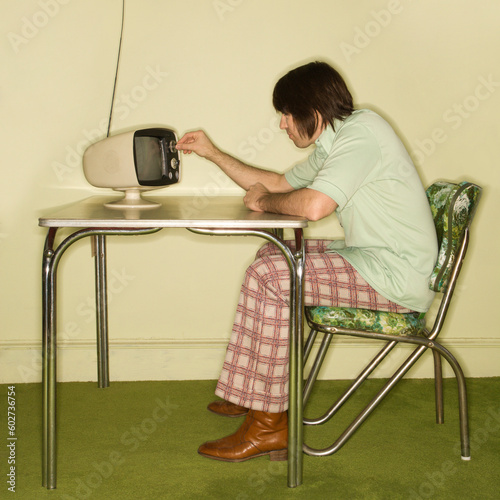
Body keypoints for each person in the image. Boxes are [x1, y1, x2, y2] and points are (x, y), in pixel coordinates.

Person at [176, 61, 438, 463]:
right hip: (376, 260)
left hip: (394, 277)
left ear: (312, 115)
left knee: (270, 274)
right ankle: (255, 395)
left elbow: (314, 206)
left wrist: (263, 202)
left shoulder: (363, 134)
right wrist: (212, 154)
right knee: (271, 255)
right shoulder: (338, 140)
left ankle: (269, 426)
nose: (282, 124)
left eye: (286, 114)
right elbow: (281, 184)